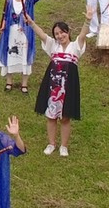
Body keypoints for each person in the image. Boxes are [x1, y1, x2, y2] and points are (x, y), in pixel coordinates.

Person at [29, 17, 84, 156]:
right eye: (57, 34)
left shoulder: (76, 46)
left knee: (65, 117)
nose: (60, 36)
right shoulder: (53, 46)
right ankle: (51, 143)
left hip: (69, 85)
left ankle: (63, 146)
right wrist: (31, 23)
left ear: (68, 32)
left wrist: (88, 20)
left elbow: (83, 35)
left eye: (62, 32)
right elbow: (41, 34)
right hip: (53, 86)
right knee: (51, 116)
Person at [0, 0, 50, 93]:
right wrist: (2, 27)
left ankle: (24, 83)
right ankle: (9, 82)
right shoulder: (9, 1)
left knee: (25, 56)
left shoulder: (30, 0)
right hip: (10, 33)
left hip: (25, 34)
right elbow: (5, 16)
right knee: (9, 55)